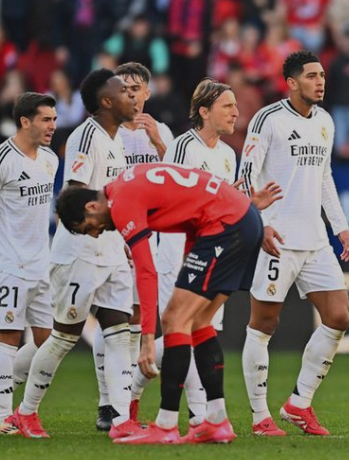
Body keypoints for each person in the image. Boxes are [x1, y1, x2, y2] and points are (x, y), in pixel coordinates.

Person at [54, 163, 281, 444]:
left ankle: (166, 425)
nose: (95, 233)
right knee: (198, 322)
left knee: (174, 319)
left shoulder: (121, 202)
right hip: (241, 220)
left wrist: (148, 338)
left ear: (91, 207)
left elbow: (146, 271)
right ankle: (217, 421)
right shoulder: (127, 183)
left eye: (86, 227)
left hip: (225, 226)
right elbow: (190, 214)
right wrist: (192, 256)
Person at [12, 69, 141, 440]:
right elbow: (73, 194)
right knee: (64, 337)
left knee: (120, 333)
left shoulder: (116, 140)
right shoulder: (88, 136)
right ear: (106, 101)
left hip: (112, 248)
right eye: (124, 92)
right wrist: (103, 220)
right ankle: (26, 413)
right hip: (81, 251)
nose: (132, 97)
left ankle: (120, 419)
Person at [238, 50, 349, 437]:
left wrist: (340, 227)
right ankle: (259, 417)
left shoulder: (325, 120)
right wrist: (258, 225)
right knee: (263, 325)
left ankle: (298, 403)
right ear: (290, 83)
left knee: (339, 317)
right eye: (311, 76)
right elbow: (245, 178)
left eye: (322, 75)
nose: (320, 82)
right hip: (276, 237)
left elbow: (324, 177)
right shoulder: (267, 119)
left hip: (315, 240)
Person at [129, 78, 237, 434]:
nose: (236, 112)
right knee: (187, 332)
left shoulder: (228, 154)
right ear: (204, 111)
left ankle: (130, 391)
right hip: (176, 254)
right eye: (227, 106)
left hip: (211, 254)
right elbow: (164, 195)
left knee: (198, 333)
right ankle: (200, 416)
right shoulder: (183, 147)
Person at [88, 61, 174, 430]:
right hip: (114, 235)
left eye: (138, 87)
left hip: (149, 237)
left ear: (148, 93)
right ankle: (108, 403)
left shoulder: (160, 131)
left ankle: (123, 400)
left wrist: (158, 142)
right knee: (114, 317)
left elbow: (174, 182)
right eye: (126, 88)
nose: (133, 94)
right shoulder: (108, 133)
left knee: (137, 319)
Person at [0, 92, 58, 435]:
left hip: (40, 263)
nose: (53, 126)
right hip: (8, 263)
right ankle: (5, 417)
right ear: (25, 121)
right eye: (45, 119)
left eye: (53, 119)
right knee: (7, 337)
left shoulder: (49, 160)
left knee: (48, 338)